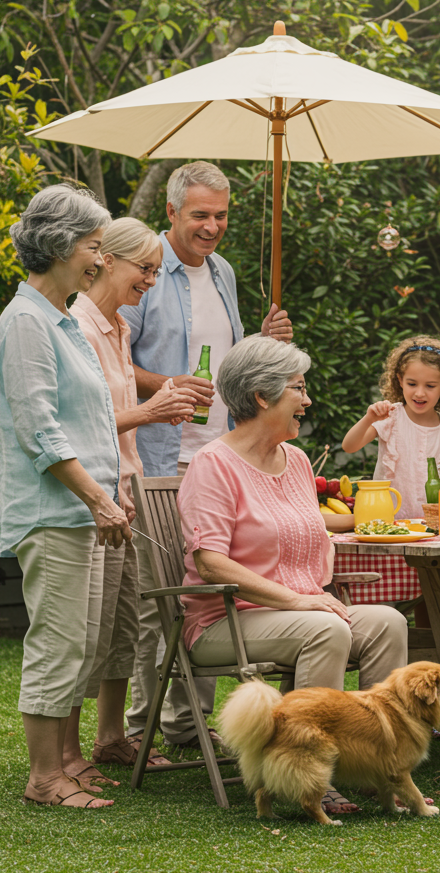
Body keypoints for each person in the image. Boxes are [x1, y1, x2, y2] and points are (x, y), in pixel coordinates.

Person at [178, 335, 409, 816]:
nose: (307, 401)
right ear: (262, 396)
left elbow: (312, 530)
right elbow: (210, 562)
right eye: (298, 389)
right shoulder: (213, 465)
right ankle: (309, 771)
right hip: (226, 621)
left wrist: (310, 593)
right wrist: (296, 599)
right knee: (324, 628)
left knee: (388, 621)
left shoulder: (298, 460)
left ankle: (377, 767)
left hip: (298, 609)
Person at [123, 160, 293, 752]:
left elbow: (233, 364)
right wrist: (165, 387)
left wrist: (267, 343)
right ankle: (146, 725)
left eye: (220, 215)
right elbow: (116, 362)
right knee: (163, 595)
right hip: (161, 457)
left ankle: (189, 723)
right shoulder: (145, 275)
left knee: (209, 591)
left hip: (221, 456)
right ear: (170, 213)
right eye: (200, 215)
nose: (212, 227)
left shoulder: (221, 272)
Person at [1, 183, 130, 809]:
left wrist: (110, 494)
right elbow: (39, 429)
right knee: (57, 641)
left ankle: (68, 762)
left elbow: (91, 421)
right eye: (92, 246)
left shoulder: (62, 319)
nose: (101, 260)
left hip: (86, 508)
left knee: (83, 641)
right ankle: (45, 778)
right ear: (56, 247)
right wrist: (96, 498)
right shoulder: (25, 321)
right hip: (55, 512)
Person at [70, 217, 198, 773]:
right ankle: (69, 753)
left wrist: (164, 399)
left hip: (126, 487)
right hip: (88, 496)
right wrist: (151, 410)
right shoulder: (75, 327)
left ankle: (111, 738)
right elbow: (80, 424)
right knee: (88, 626)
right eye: (145, 268)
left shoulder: (119, 327)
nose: (151, 280)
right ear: (108, 261)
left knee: (124, 620)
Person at [341, 335, 440, 519]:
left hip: (435, 526)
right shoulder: (391, 417)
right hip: (388, 522)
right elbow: (349, 446)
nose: (419, 393)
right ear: (400, 380)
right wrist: (369, 418)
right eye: (412, 384)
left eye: (430, 386)